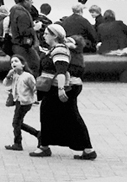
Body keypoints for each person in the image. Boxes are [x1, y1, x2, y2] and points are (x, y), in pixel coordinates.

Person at [31, 24, 96, 160]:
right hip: (60, 87)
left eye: (46, 34)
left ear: (55, 36)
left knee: (68, 115)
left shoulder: (60, 50)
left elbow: (61, 70)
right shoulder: (54, 49)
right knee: (53, 114)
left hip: (64, 88)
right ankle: (45, 145)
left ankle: (45, 146)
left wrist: (61, 89)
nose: (44, 36)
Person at [3, 55, 39, 151]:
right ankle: (37, 134)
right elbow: (5, 84)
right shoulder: (14, 75)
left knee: (16, 123)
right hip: (18, 101)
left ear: (23, 64)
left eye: (16, 61)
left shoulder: (27, 76)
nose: (13, 63)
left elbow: (34, 88)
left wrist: (36, 99)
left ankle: (18, 143)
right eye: (12, 62)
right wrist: (8, 76)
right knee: (18, 123)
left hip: (25, 102)